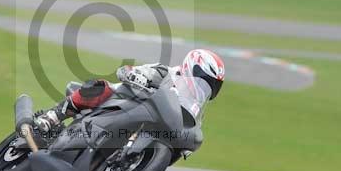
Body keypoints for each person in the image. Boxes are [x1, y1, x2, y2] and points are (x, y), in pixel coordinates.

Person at [34, 49, 225, 132]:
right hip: (121, 103)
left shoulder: (192, 110)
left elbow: (190, 130)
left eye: (210, 85)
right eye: (203, 80)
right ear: (191, 67)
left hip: (144, 123)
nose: (204, 86)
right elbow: (126, 71)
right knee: (100, 87)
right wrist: (134, 75)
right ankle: (52, 117)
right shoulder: (165, 72)